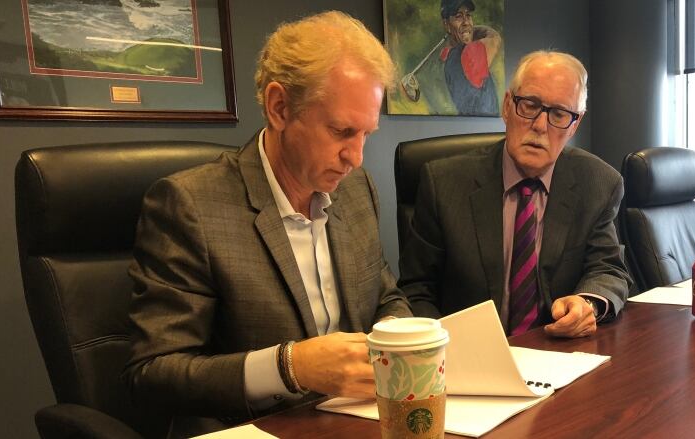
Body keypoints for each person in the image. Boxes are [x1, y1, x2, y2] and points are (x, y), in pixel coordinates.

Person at [123, 11, 412, 436]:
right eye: (341, 131)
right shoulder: (190, 205)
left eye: (366, 134)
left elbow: (384, 295)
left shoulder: (356, 190)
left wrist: (400, 338)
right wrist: (291, 368)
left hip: (358, 422)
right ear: (279, 107)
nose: (356, 157)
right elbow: (153, 373)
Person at [398, 50, 632, 339]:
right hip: (469, 358)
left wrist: (588, 303)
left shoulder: (598, 184)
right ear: (507, 106)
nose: (540, 125)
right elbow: (416, 289)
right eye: (530, 105)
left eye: (559, 114)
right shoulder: (444, 183)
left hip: (558, 354)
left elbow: (608, 269)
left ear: (575, 124)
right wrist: (442, 348)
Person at [439, 0, 502, 116]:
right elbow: (495, 37)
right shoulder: (470, 53)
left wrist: (466, 30)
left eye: (468, 15)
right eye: (459, 17)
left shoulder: (448, 56)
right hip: (484, 128)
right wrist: (473, 29)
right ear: (447, 24)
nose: (466, 22)